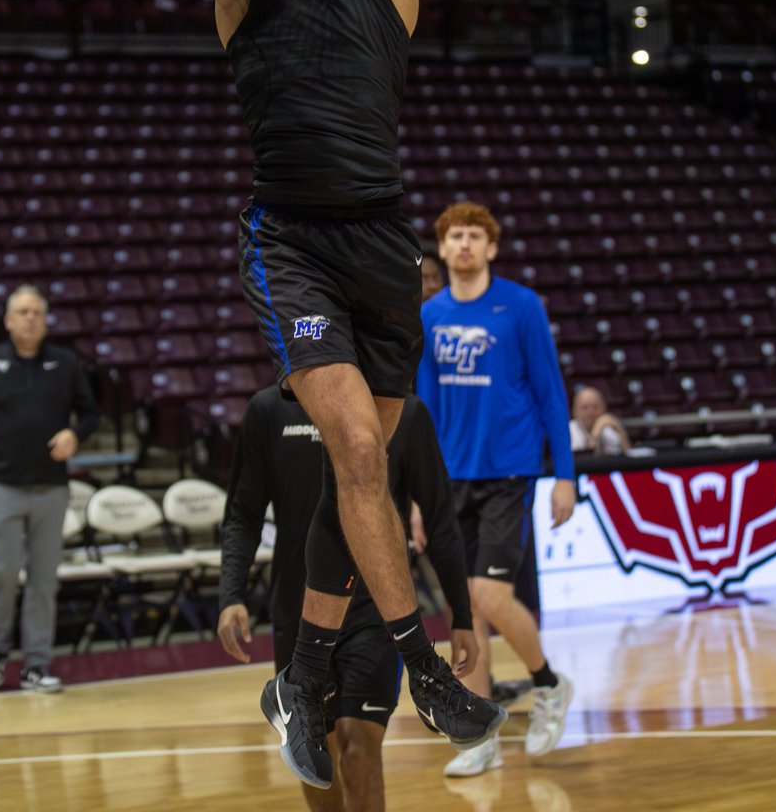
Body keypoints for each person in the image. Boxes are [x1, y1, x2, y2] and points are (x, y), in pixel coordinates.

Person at [112, 0, 504, 789]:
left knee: (357, 479)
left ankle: (304, 671)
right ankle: (422, 667)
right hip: (293, 239)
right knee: (357, 449)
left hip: (386, 247)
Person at [218, 386, 477, 812]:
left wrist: (461, 616)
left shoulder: (404, 412)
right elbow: (244, 512)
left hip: (376, 614)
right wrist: (231, 593)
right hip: (298, 614)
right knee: (317, 764)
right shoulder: (268, 411)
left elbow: (440, 518)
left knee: (360, 747)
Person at [418, 201, 577, 777]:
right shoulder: (430, 314)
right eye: (454, 235)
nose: (463, 244)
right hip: (449, 478)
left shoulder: (522, 306)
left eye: (473, 236)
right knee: (465, 614)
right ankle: (481, 734)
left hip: (509, 473)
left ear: (491, 248)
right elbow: (425, 412)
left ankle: (548, 684)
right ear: (442, 249)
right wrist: (416, 493)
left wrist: (565, 476)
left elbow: (552, 394)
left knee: (488, 596)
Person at [0, 285, 100, 692]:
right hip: (0, 487)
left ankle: (36, 664)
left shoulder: (65, 364)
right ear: (8, 320)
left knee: (43, 579)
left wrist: (74, 433)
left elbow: (90, 414)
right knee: (2, 573)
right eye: (23, 311)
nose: (31, 318)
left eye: (37, 311)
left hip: (51, 489)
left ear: (45, 319)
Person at [569, 386, 631, 456]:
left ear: (604, 409)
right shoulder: (569, 432)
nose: (590, 413)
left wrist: (619, 428)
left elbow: (627, 456)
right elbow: (587, 461)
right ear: (574, 411)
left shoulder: (607, 430)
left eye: (596, 407)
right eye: (585, 407)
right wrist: (596, 432)